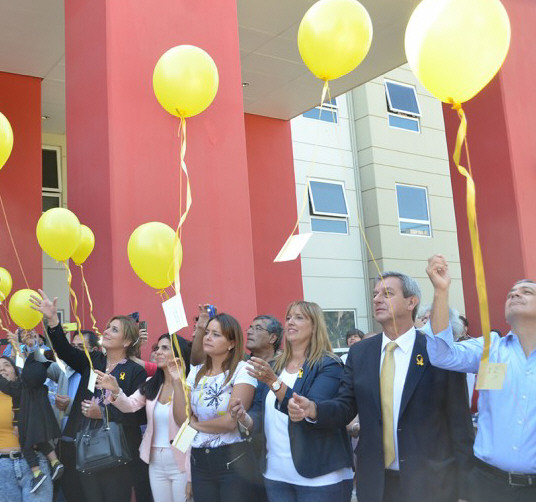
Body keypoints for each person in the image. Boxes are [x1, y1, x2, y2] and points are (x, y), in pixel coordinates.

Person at [288, 272, 474, 502]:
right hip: (375, 483)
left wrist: (467, 491)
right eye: (375, 294)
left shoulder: (438, 352)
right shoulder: (360, 352)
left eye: (387, 294)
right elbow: (346, 405)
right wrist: (314, 410)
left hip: (431, 483)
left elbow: (459, 422)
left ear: (411, 302)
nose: (377, 299)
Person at [423, 254, 536, 501]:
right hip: (487, 484)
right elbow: (442, 355)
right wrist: (441, 291)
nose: (515, 294)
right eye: (510, 294)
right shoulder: (490, 348)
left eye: (526, 292)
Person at [30, 290, 148, 502]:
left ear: (128, 341)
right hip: (84, 449)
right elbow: (64, 351)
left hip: (118, 454)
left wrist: (102, 413)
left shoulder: (134, 371)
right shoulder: (92, 360)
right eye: (107, 328)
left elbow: (137, 416)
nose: (107, 332)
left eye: (114, 329)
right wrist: (53, 320)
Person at [232, 301, 354, 502]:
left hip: (319, 477)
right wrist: (245, 419)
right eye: (288, 317)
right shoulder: (274, 366)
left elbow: (310, 409)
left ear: (315, 326)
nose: (290, 322)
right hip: (276, 475)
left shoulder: (329, 364)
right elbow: (260, 413)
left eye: (299, 317)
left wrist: (274, 382)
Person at [171, 312, 257, 502]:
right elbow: (180, 419)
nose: (208, 337)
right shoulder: (195, 373)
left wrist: (195, 425)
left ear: (232, 343)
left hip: (233, 459)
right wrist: (177, 382)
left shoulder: (243, 370)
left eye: (216, 334)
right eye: (207, 332)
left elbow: (230, 422)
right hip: (199, 459)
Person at [95, 334, 190, 502]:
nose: (158, 352)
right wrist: (116, 390)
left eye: (165, 348)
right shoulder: (150, 383)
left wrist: (177, 382)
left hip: (181, 461)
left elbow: (188, 425)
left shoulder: (189, 386)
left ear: (178, 355)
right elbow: (130, 405)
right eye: (157, 347)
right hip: (154, 460)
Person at [0, 355, 53, 501]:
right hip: (2, 468)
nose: (2, 369)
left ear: (16, 372)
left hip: (34, 462)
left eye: (6, 365)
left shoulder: (30, 391)